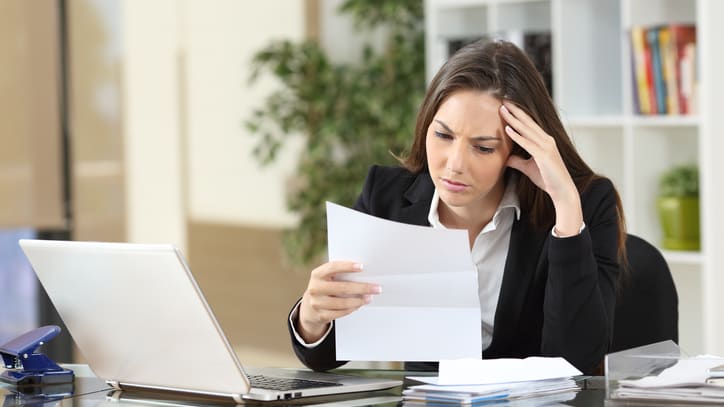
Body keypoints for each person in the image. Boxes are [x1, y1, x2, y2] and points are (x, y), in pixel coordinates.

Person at [286, 39, 626, 375]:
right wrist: (313, 318)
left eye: (483, 148)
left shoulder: (584, 204)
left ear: (520, 149)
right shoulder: (386, 195)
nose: (454, 165)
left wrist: (566, 205)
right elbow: (329, 353)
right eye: (444, 136)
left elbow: (575, 360)